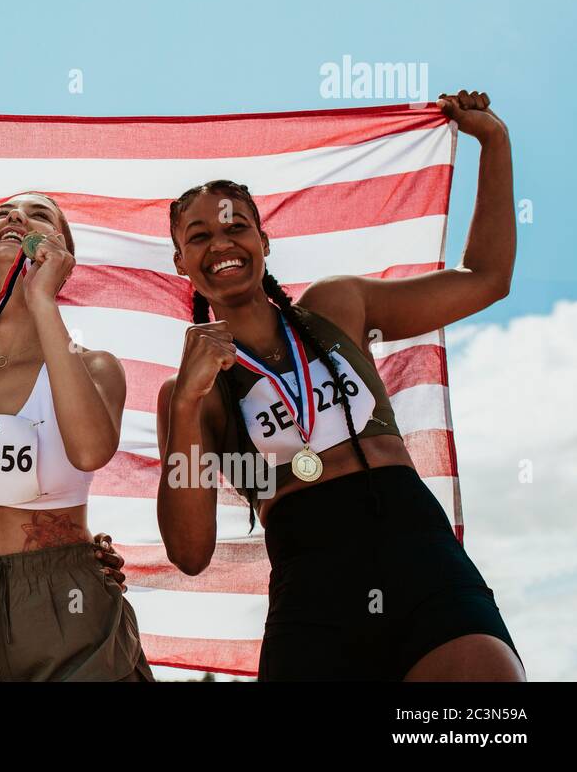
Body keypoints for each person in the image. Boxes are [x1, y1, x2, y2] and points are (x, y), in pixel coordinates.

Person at [156, 90, 524, 681]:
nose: (221, 244)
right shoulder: (188, 392)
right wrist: (189, 402)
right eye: (198, 237)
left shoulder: (338, 305)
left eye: (236, 227)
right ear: (180, 261)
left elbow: (487, 278)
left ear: (264, 240)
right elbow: (191, 553)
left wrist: (494, 141)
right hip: (312, 581)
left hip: (414, 544)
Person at [0, 192, 153, 681]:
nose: (15, 217)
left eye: (39, 215)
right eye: (2, 213)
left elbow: (89, 451)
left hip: (65, 597)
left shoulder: (95, 366)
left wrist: (41, 297)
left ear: (64, 256)